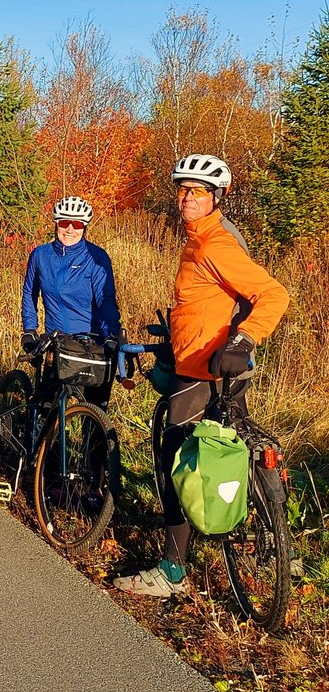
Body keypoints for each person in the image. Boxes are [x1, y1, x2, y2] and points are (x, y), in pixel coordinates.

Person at [114, 154, 290, 599]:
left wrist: (244, 340)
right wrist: (174, 331)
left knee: (177, 462)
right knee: (232, 451)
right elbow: (210, 302)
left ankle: (171, 571)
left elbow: (272, 294)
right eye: (182, 190)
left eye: (197, 191)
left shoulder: (215, 244)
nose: (186, 198)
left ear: (217, 197)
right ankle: (262, 531)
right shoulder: (198, 240)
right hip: (213, 366)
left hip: (203, 372)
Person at [20, 195, 122, 410]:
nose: (69, 229)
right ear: (56, 224)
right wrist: (29, 329)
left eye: (76, 224)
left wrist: (111, 334)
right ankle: (40, 439)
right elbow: (30, 293)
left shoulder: (96, 257)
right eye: (64, 223)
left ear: (84, 227)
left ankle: (93, 443)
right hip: (56, 339)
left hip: (91, 341)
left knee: (93, 410)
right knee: (47, 407)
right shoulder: (40, 255)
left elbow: (106, 299)